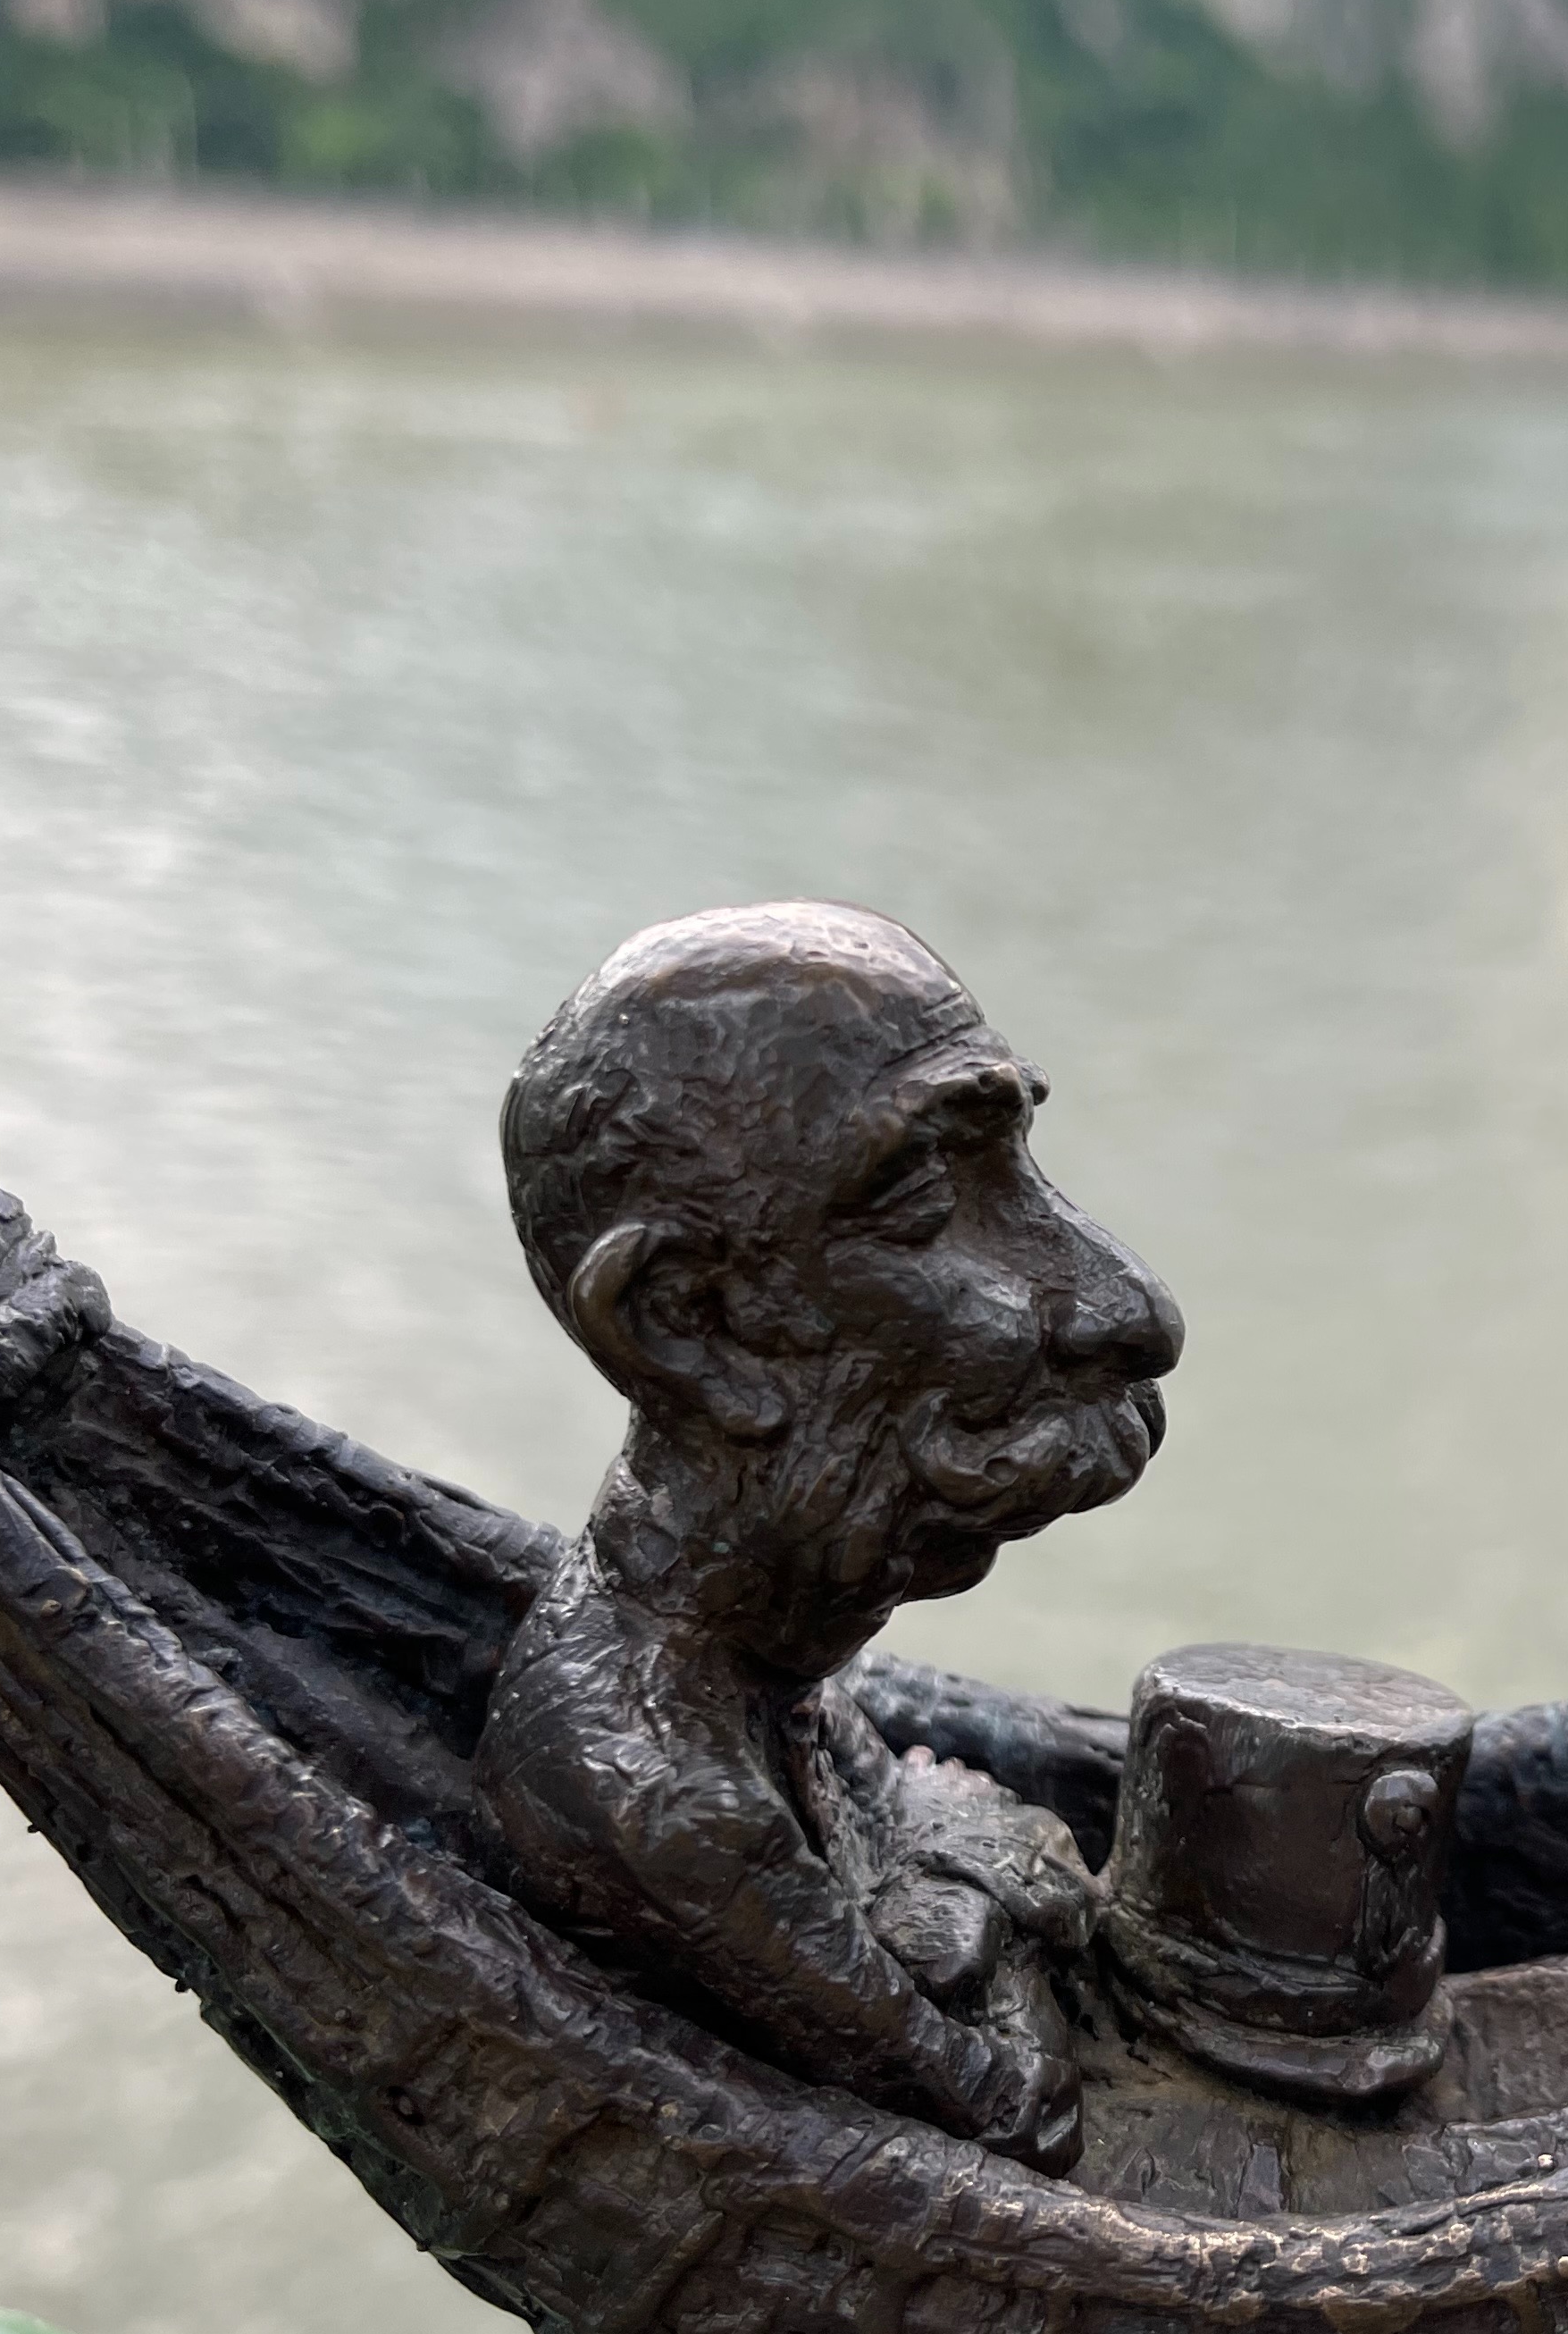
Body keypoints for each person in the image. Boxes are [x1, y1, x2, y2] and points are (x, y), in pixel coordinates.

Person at [478, 902, 1183, 2174]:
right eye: (928, 1204)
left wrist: (955, 1881)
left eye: (1018, 1171)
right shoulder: (672, 1799)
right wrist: (975, 1880)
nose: (1131, 1308)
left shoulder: (775, 1673)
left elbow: (949, 1865)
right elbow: (1010, 2106)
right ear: (690, 1324)